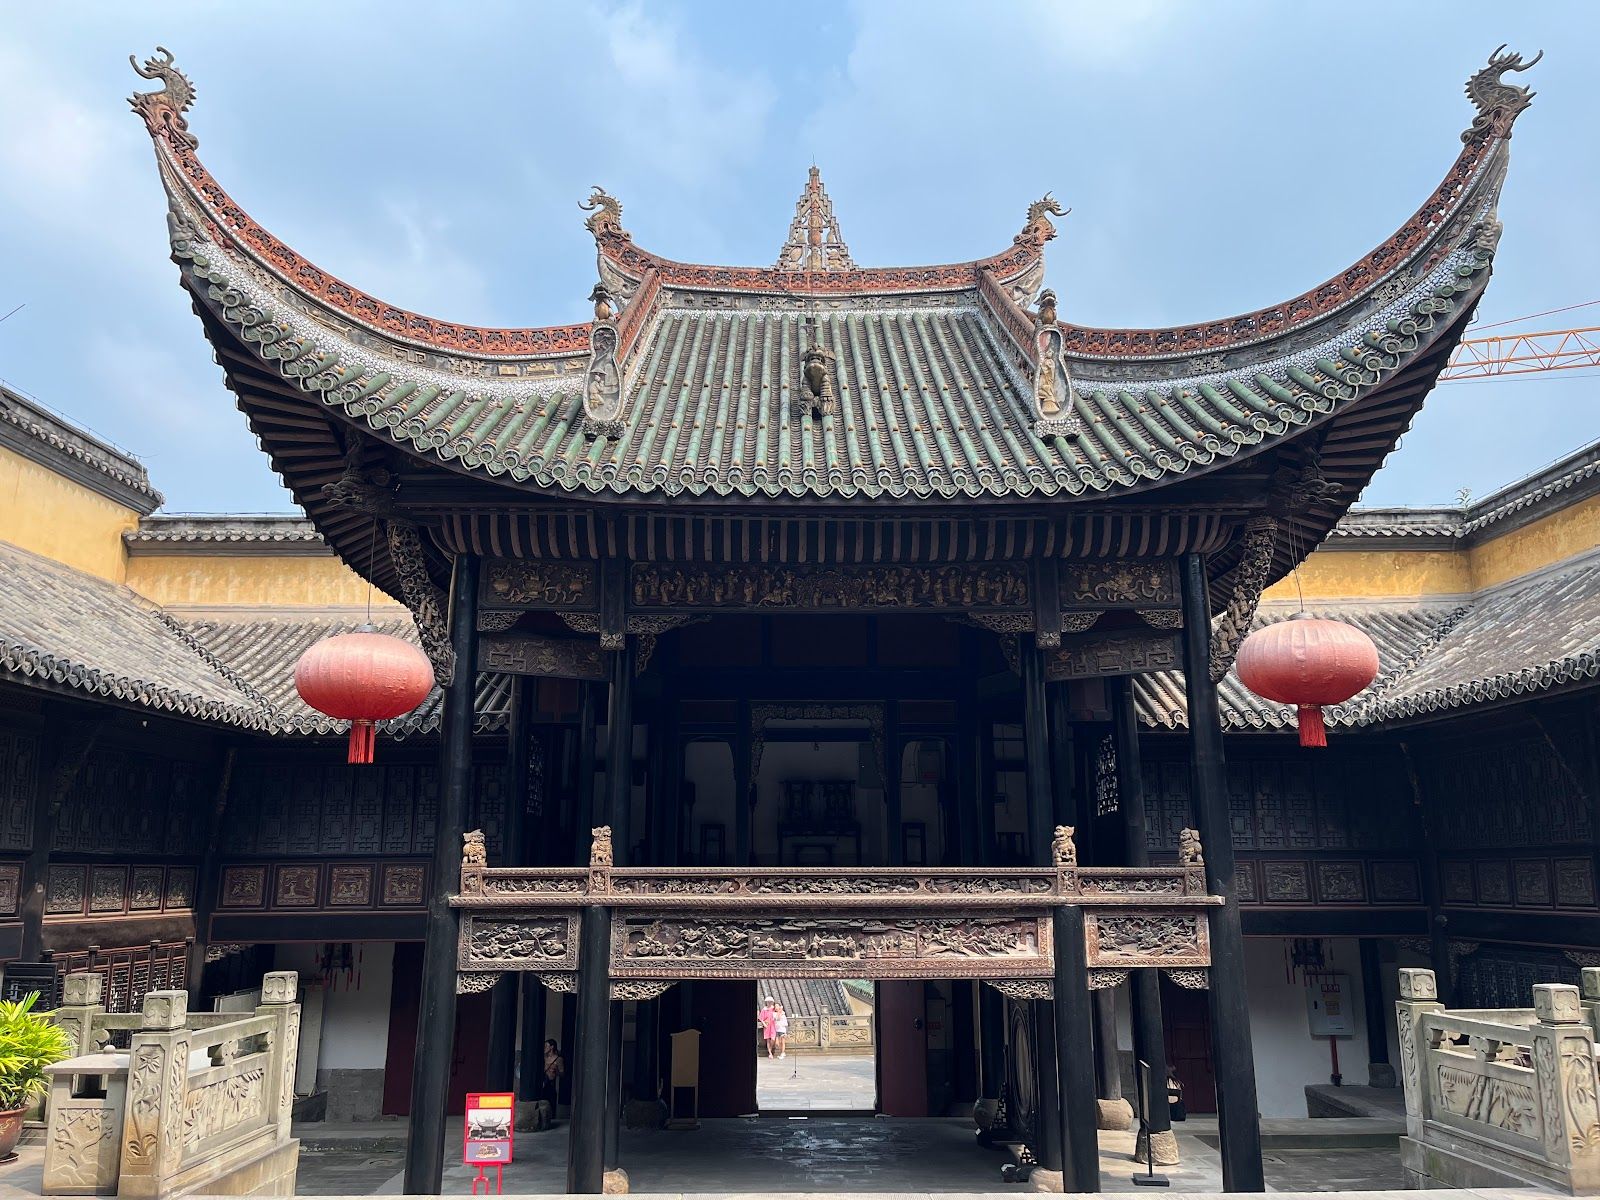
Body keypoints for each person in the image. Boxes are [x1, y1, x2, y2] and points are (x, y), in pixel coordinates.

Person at [543, 1038, 565, 1107]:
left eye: (546, 1046)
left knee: (551, 1104)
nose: (544, 1048)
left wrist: (555, 1071)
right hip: (543, 1083)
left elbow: (562, 1073)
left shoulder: (558, 1059)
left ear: (552, 1047)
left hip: (551, 1084)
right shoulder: (544, 1058)